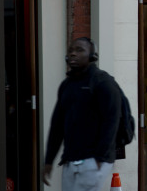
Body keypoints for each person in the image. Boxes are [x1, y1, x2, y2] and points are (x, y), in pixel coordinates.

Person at [42, 37, 121, 190]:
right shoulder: (66, 86)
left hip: (94, 160)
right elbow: (57, 125)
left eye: (79, 50)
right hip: (71, 160)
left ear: (92, 56)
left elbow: (111, 121)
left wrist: (100, 158)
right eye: (71, 50)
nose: (73, 54)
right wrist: (49, 161)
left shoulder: (103, 83)